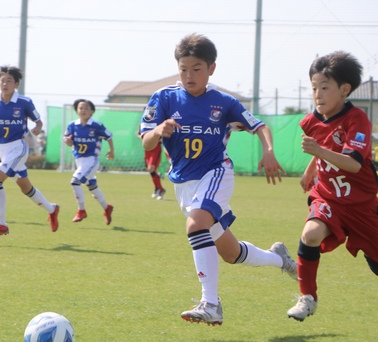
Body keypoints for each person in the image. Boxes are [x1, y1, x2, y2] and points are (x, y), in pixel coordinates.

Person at [140, 33, 296, 326]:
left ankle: (210, 303)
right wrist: (159, 130)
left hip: (215, 173)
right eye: (184, 68)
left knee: (195, 224)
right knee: (230, 253)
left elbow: (259, 125)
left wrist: (270, 151)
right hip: (184, 185)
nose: (189, 75)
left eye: (196, 68)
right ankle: (281, 259)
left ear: (211, 68)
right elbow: (147, 143)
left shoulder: (223, 102)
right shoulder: (163, 98)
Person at [286, 51, 378, 322]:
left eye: (324, 87)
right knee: (310, 234)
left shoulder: (357, 120)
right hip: (328, 198)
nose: (318, 94)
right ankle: (308, 298)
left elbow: (352, 163)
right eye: (314, 87)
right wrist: (310, 171)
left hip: (361, 206)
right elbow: (322, 150)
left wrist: (318, 152)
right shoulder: (312, 120)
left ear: (344, 89)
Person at [0, 65, 60, 239]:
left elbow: (38, 121)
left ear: (16, 84)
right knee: (26, 188)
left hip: (18, 148)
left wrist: (37, 127)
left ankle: (1, 225)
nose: (5, 84)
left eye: (9, 80)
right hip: (3, 149)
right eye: (2, 80)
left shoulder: (24, 102)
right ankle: (52, 209)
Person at [63, 99, 114, 225]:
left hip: (91, 161)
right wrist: (68, 142)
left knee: (75, 182)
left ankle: (81, 211)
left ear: (91, 111)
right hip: (79, 161)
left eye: (86, 108)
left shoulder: (96, 126)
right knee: (91, 186)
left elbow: (109, 136)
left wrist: (111, 151)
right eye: (80, 108)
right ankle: (107, 208)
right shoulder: (72, 125)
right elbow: (67, 139)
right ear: (76, 110)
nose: (83, 110)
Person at [138, 128, 166, 200]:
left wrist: (156, 139)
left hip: (155, 149)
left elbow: (163, 136)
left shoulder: (158, 121)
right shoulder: (144, 122)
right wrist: (144, 137)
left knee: (151, 168)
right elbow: (139, 134)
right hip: (147, 149)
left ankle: (159, 189)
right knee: (151, 170)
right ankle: (159, 188)